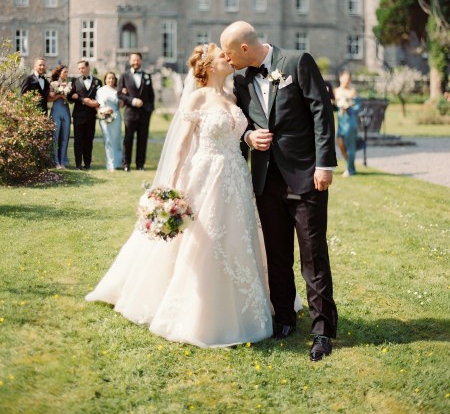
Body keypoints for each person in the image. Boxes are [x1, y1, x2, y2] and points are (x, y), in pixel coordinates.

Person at [86, 43, 275, 348]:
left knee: (238, 237)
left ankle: (245, 305)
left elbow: (242, 132)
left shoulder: (234, 95)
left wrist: (252, 137)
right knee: (204, 239)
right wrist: (168, 189)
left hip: (236, 177)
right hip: (205, 176)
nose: (229, 58)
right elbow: (181, 146)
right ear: (209, 66)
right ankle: (198, 311)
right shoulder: (197, 98)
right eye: (222, 56)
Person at [220, 21, 338, 362]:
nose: (226, 61)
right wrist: (248, 138)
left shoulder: (298, 62)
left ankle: (321, 330)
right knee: (276, 253)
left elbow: (321, 111)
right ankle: (284, 317)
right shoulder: (241, 80)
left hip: (307, 176)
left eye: (229, 53)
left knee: (313, 255)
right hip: (266, 180)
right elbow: (238, 122)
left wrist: (324, 164)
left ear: (245, 48)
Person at [118, 52, 155, 171]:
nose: (135, 62)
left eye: (138, 60)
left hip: (144, 113)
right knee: (128, 139)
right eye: (133, 60)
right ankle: (126, 164)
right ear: (130, 61)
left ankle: (140, 165)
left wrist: (149, 109)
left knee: (142, 139)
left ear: (141, 61)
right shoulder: (124, 76)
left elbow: (151, 95)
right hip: (130, 112)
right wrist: (133, 101)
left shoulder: (147, 76)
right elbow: (119, 94)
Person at [68, 60, 102, 170]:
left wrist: (96, 104)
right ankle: (78, 164)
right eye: (79, 68)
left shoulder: (98, 82)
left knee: (89, 139)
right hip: (78, 115)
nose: (80, 70)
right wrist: (82, 99)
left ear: (88, 67)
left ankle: (87, 164)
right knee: (78, 140)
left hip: (91, 115)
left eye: (82, 68)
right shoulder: (74, 81)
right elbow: (70, 97)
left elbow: (101, 97)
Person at [335, 71, 361, 177]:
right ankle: (351, 166)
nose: (347, 80)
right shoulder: (336, 91)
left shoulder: (352, 92)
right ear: (340, 78)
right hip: (341, 123)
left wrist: (349, 107)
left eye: (348, 79)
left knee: (350, 147)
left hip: (350, 122)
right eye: (345, 78)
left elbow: (358, 106)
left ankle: (349, 170)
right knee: (341, 144)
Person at [96, 71, 123, 172]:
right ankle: (110, 163)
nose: (111, 80)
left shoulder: (117, 91)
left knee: (117, 139)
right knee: (108, 140)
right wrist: (104, 111)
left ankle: (118, 162)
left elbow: (121, 105)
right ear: (105, 79)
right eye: (109, 78)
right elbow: (99, 104)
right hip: (105, 116)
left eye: (113, 78)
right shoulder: (101, 91)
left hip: (116, 116)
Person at [49, 64, 71, 169]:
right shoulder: (53, 84)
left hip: (66, 110)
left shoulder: (69, 85)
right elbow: (49, 99)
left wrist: (69, 95)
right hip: (56, 111)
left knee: (65, 137)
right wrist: (60, 95)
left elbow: (71, 100)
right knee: (55, 137)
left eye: (67, 72)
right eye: (65, 72)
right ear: (59, 73)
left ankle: (62, 161)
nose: (66, 74)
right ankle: (56, 162)